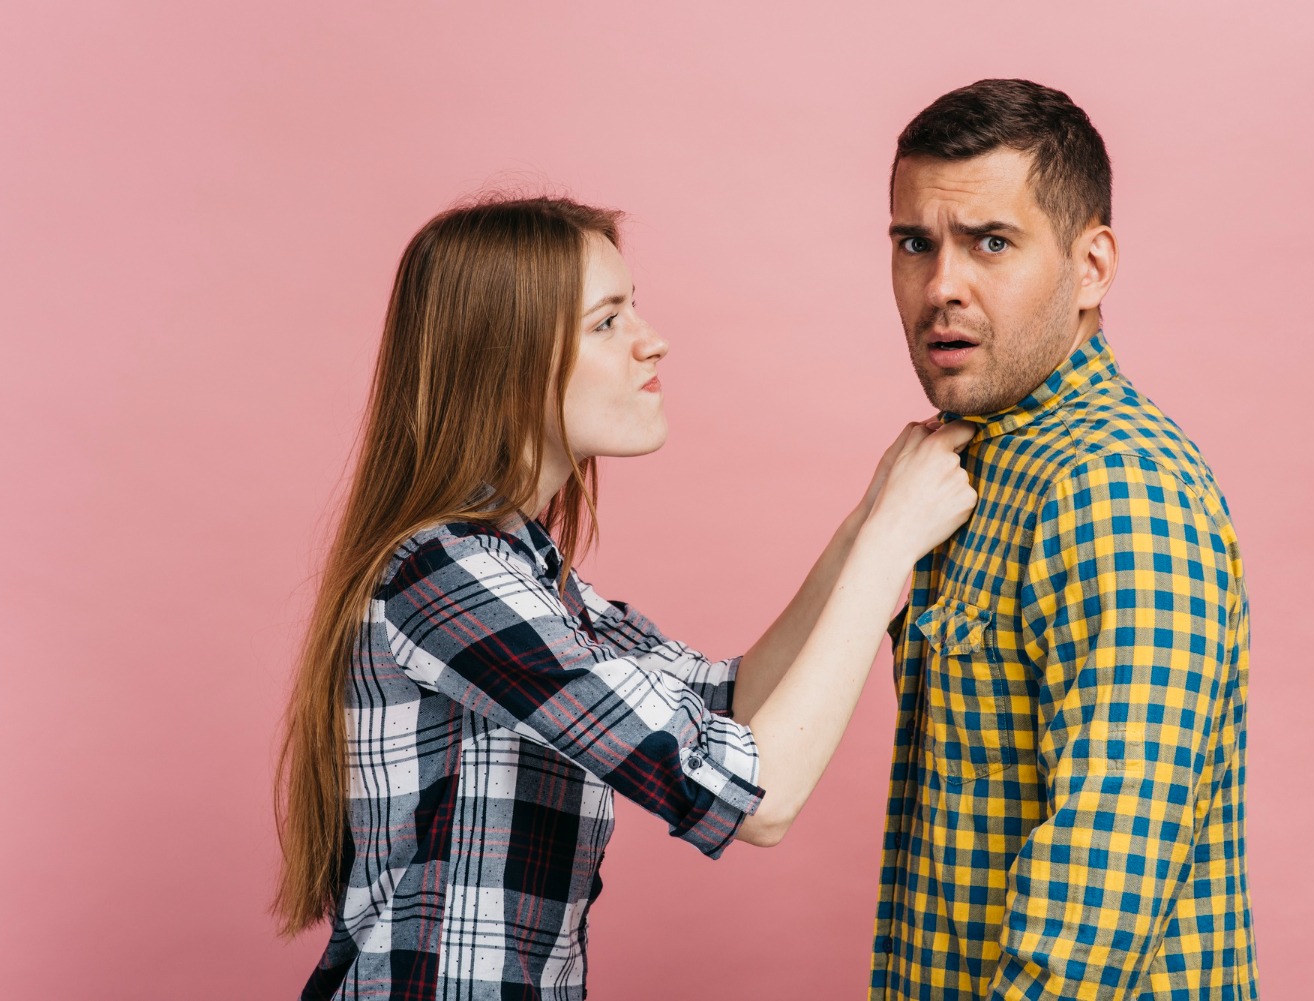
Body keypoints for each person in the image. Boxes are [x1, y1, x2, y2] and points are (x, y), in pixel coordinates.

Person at [271, 196, 977, 1001]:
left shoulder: (527, 574)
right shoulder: (444, 579)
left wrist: (867, 519)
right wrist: (890, 544)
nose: (653, 340)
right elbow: (758, 798)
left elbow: (731, 705)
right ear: (506, 359)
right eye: (608, 321)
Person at [870, 80, 1258, 999]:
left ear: (1091, 267)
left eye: (991, 243)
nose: (941, 287)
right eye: (914, 244)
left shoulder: (1115, 486)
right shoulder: (977, 466)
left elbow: (1099, 898)